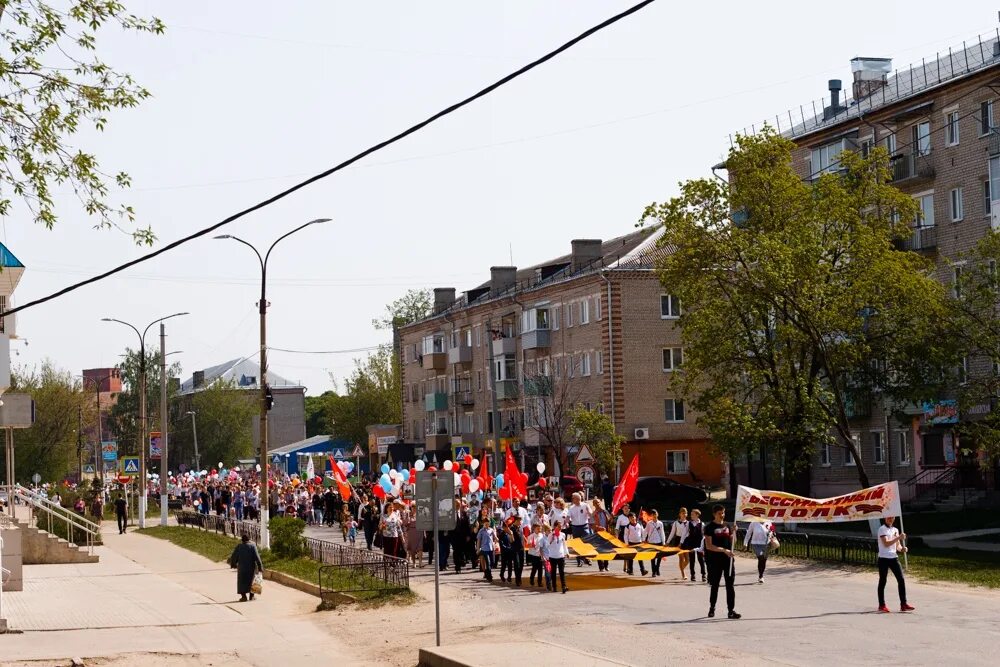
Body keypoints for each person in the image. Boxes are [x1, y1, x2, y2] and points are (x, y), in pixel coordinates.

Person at [704, 504, 740, 619]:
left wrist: (734, 532)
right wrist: (724, 550)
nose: (722, 515)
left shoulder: (728, 525)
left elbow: (733, 543)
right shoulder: (709, 527)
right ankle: (712, 608)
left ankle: (731, 611)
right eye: (720, 513)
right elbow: (709, 546)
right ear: (714, 514)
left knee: (730, 586)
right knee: (715, 585)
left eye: (723, 513)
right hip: (715, 560)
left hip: (728, 561)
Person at [877, 516, 915, 613]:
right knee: (883, 581)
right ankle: (882, 605)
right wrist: (899, 537)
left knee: (901, 579)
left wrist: (902, 549)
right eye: (889, 518)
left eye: (892, 517)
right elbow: (886, 543)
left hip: (893, 558)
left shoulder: (895, 530)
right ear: (885, 518)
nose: (890, 519)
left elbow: (897, 545)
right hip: (883, 558)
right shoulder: (882, 529)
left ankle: (903, 604)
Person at [228, 533, 264, 602]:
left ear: (242, 540)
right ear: (249, 539)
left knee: (242, 582)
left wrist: (233, 564)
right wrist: (260, 567)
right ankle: (251, 596)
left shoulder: (239, 546)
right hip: (251, 568)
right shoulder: (253, 546)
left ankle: (244, 597)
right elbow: (257, 557)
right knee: (252, 581)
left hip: (242, 568)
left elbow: (234, 556)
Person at [541, 519, 569, 593]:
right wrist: (551, 540)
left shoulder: (563, 534)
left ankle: (564, 586)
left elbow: (564, 544)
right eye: (559, 527)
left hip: (561, 555)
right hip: (553, 556)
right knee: (553, 572)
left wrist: (567, 552)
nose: (560, 528)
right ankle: (554, 587)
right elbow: (547, 545)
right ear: (555, 527)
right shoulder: (550, 535)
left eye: (561, 527)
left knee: (562, 572)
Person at [743, 519, 775, 583]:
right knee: (761, 557)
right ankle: (761, 576)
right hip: (756, 544)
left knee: (764, 560)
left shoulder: (769, 522)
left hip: (766, 544)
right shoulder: (753, 522)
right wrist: (745, 543)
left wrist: (771, 534)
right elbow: (749, 533)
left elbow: (772, 532)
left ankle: (761, 576)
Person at [567, 492, 592, 567]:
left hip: (584, 526)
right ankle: (579, 561)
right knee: (577, 545)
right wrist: (566, 521)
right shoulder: (571, 508)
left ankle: (587, 558)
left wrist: (589, 512)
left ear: (577, 499)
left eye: (573, 498)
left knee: (586, 543)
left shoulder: (585, 505)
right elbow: (568, 517)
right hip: (575, 527)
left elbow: (590, 514)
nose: (572, 499)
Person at [666, 507, 690, 580]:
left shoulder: (688, 523)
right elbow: (672, 533)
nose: (684, 514)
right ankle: (683, 573)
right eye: (683, 513)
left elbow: (688, 533)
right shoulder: (676, 523)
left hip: (686, 541)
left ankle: (681, 568)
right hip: (678, 540)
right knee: (681, 558)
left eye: (685, 513)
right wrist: (667, 542)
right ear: (680, 514)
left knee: (687, 560)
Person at [683, 508, 707, 583]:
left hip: (699, 544)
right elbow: (684, 533)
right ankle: (692, 575)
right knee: (692, 560)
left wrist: (704, 543)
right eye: (691, 514)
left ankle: (703, 575)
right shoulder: (688, 523)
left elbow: (704, 535)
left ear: (697, 515)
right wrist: (681, 542)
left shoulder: (702, 524)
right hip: (691, 543)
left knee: (701, 560)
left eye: (693, 514)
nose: (691, 515)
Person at [590, 499, 612, 571]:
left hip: (606, 533)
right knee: (598, 550)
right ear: (594, 505)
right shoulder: (593, 514)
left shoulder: (605, 512)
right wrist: (599, 528)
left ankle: (606, 565)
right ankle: (601, 566)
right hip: (598, 534)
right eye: (596, 503)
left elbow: (610, 521)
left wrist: (611, 518)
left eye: (598, 502)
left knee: (607, 549)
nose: (598, 504)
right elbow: (592, 525)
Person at [644, 509, 666, 577]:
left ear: (657, 514)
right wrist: (643, 539)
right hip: (651, 542)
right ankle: (654, 572)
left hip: (659, 542)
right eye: (653, 514)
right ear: (651, 516)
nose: (654, 515)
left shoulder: (660, 523)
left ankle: (657, 568)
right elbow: (645, 532)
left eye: (655, 514)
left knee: (659, 557)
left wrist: (663, 542)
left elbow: (662, 533)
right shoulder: (649, 523)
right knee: (653, 557)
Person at [526, 523, 545, 588]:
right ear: (534, 529)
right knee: (534, 568)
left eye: (540, 528)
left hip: (540, 554)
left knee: (540, 569)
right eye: (537, 528)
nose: (539, 530)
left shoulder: (542, 535)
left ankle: (539, 582)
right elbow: (527, 545)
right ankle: (532, 579)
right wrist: (531, 545)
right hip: (534, 554)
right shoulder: (531, 536)